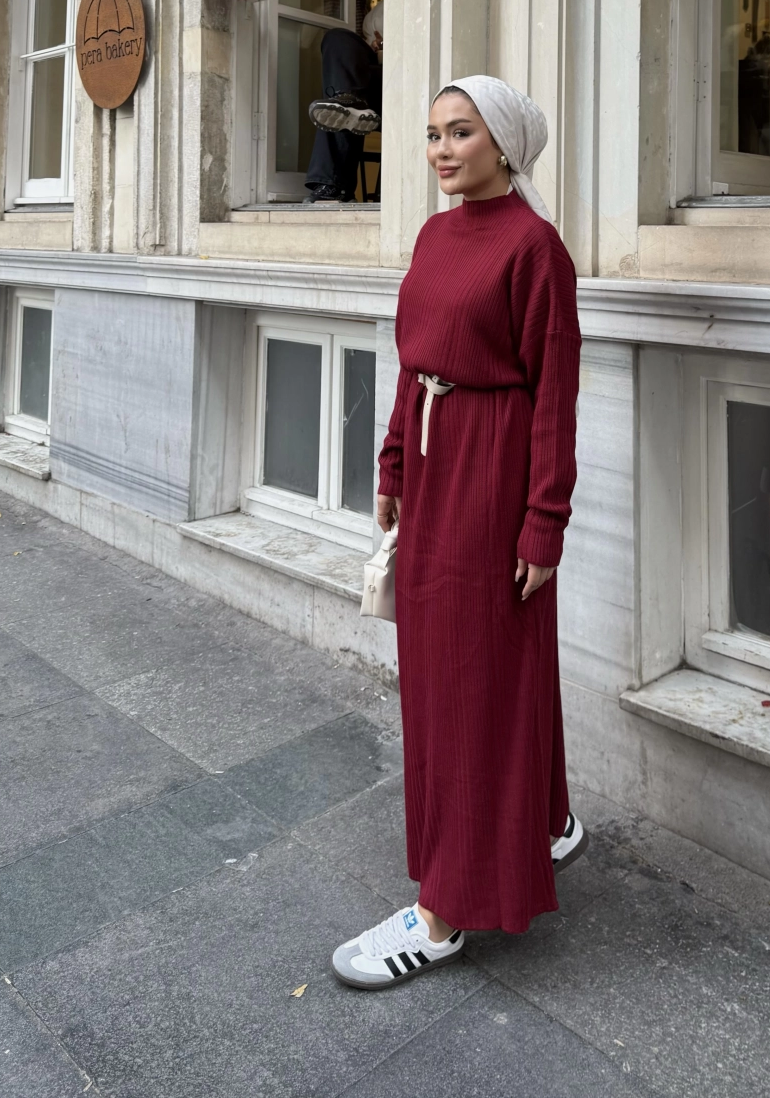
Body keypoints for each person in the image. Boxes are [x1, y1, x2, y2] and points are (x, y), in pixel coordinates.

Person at [332, 76, 587, 990]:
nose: (442, 149)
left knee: (477, 679)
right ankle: (543, 824)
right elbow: (414, 365)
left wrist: (544, 521)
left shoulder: (536, 249)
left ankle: (443, 914)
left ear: (504, 146)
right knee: (447, 671)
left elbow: (554, 395)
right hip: (437, 471)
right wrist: (394, 465)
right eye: (434, 133)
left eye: (462, 132)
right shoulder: (436, 236)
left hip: (494, 474)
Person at [303, 1, 384, 203]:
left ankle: (334, 186)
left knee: (340, 107)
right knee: (337, 37)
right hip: (369, 90)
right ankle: (348, 100)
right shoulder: (379, 13)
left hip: (406, 86)